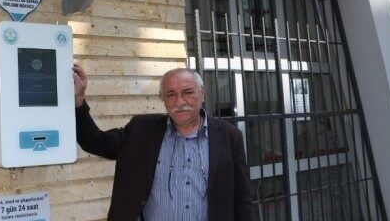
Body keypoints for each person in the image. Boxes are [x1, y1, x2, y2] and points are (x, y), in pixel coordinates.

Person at [73, 64, 254, 221]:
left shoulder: (229, 136)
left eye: (187, 92)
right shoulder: (141, 131)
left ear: (202, 93)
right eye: (170, 94)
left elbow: (242, 199)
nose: (179, 101)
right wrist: (79, 100)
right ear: (162, 98)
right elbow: (95, 142)